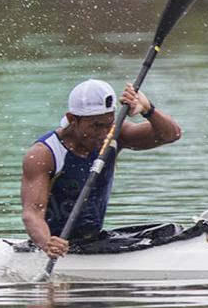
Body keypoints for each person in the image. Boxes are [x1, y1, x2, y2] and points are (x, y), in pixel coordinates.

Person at [21, 79, 182, 258]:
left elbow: (171, 135)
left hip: (94, 240)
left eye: (109, 124)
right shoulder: (44, 153)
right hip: (55, 245)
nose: (104, 134)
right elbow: (32, 214)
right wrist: (47, 244)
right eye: (96, 126)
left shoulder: (116, 134)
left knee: (170, 230)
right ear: (72, 119)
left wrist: (148, 109)